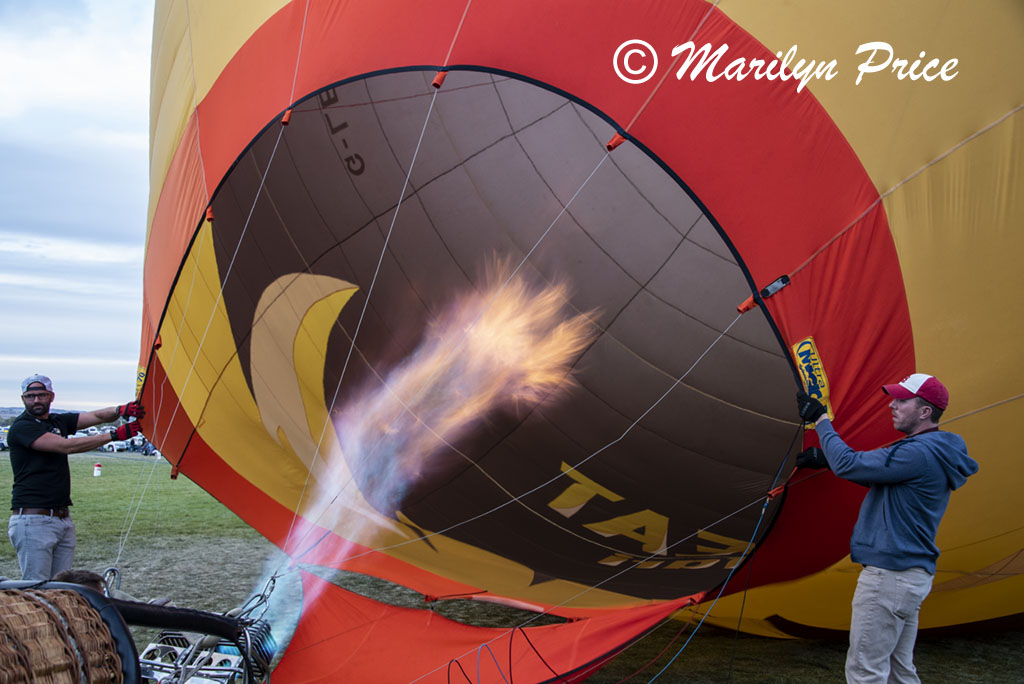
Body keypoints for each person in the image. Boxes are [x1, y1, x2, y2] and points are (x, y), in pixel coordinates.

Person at [796, 373, 978, 684]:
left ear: (925, 412)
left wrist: (821, 419)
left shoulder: (918, 451)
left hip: (889, 577)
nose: (892, 405)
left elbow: (851, 464)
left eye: (902, 400)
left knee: (866, 672)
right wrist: (829, 461)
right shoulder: (932, 451)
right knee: (898, 671)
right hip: (910, 576)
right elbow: (875, 475)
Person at [7, 374, 145, 581]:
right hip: (33, 518)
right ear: (23, 399)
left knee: (61, 587)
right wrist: (115, 435)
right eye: (30, 396)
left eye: (41, 395)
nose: (36, 400)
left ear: (51, 396)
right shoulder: (23, 427)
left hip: (62, 518)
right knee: (37, 587)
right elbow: (66, 446)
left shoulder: (57, 421)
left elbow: (96, 416)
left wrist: (121, 410)